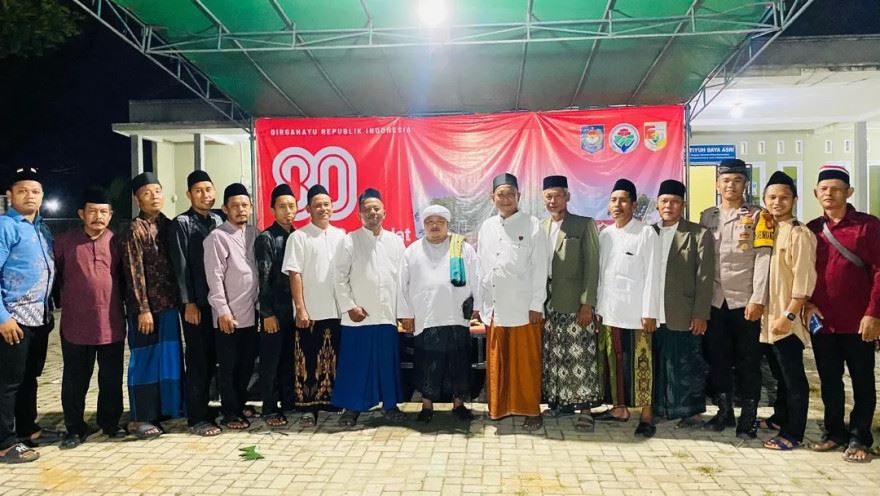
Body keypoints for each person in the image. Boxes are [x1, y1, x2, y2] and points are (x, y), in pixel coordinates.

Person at [805, 165, 880, 462]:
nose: (829, 194)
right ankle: (833, 433)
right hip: (823, 322)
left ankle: (860, 437)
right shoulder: (811, 229)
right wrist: (807, 304)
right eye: (824, 189)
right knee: (829, 380)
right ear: (816, 193)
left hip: (859, 320)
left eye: (836, 189)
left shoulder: (868, 226)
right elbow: (804, 272)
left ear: (849, 192)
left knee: (862, 380)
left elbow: (878, 271)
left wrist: (873, 313)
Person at [699, 158, 771, 439]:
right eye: (726, 180)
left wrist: (758, 298)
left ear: (745, 184)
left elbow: (763, 258)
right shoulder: (708, 216)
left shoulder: (758, 216)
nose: (731, 185)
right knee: (718, 358)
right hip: (715, 300)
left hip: (744, 300)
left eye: (737, 180)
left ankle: (749, 418)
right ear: (717, 184)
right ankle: (724, 411)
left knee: (748, 361)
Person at [54, 187, 127, 449]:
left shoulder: (117, 241)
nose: (98, 216)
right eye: (93, 211)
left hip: (111, 322)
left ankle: (110, 422)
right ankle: (74, 427)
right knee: (75, 379)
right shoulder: (64, 242)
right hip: (76, 324)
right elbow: (55, 276)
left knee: (111, 378)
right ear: (81, 214)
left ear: (111, 214)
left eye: (104, 212)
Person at [477, 173, 548, 431]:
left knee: (525, 364)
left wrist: (536, 305)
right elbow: (482, 269)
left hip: (523, 308)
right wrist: (480, 305)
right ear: (492, 197)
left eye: (510, 194)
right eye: (501, 194)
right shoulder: (487, 227)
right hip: (495, 307)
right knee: (498, 362)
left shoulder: (532, 225)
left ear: (519, 196)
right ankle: (499, 409)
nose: (505, 199)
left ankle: (531, 410)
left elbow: (541, 268)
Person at [331, 188, 406, 427]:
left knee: (387, 363)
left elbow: (403, 279)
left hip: (387, 315)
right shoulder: (349, 240)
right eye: (367, 209)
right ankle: (351, 408)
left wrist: (403, 313)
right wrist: (349, 306)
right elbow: (339, 277)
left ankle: (390, 406)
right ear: (359, 214)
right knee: (356, 364)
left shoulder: (396, 242)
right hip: (359, 315)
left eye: (376, 208)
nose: (372, 213)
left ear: (384, 212)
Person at [399, 204, 480, 423]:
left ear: (447, 224)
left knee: (458, 362)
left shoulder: (462, 248)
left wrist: (478, 307)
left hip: (457, 314)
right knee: (428, 362)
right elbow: (402, 285)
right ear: (424, 225)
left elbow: (476, 277)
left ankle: (458, 405)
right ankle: (427, 406)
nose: (434, 226)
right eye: (430, 222)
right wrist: (406, 314)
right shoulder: (412, 251)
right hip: (426, 316)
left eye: (439, 222)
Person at [594, 178, 662, 438]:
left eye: (623, 200)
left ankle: (646, 416)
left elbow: (653, 275)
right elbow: (601, 276)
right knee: (615, 364)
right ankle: (619, 409)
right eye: (613, 200)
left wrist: (650, 312)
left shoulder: (646, 233)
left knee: (642, 365)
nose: (617, 205)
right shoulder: (605, 235)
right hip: (609, 311)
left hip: (637, 314)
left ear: (633, 205)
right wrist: (599, 309)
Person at [121, 172, 185, 440]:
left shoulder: (170, 226)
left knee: (169, 359)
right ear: (138, 199)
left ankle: (167, 409)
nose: (154, 197)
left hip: (169, 306)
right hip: (145, 311)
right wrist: (143, 309)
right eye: (147, 193)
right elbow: (133, 272)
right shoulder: (134, 229)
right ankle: (141, 416)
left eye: (157, 191)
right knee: (145, 361)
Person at [0, 167, 57, 463]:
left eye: (35, 191)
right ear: (10, 195)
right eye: (22, 191)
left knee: (29, 378)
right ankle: (4, 442)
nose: (29, 196)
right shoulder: (5, 227)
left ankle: (27, 428)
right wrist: (2, 318)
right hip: (13, 319)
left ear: (42, 196)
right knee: (7, 383)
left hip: (40, 318)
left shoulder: (42, 229)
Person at [759, 171, 816, 451]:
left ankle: (794, 432)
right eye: (772, 197)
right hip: (767, 317)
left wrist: (789, 314)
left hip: (786, 318)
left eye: (783, 197)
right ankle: (780, 417)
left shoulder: (799, 234)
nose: (777, 202)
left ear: (795, 200)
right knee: (779, 374)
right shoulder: (768, 230)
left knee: (793, 377)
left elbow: (804, 281)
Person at [650, 180, 714, 428]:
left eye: (674, 202)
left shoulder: (698, 234)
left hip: (684, 311)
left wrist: (700, 314)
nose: (669, 206)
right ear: (657, 204)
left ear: (683, 205)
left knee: (687, 363)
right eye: (664, 201)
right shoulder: (649, 232)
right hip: (654, 311)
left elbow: (704, 277)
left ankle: (692, 412)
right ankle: (661, 408)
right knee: (659, 363)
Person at [540, 175, 601, 431]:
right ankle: (559, 403)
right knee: (555, 354)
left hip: (576, 302)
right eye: (548, 197)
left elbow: (593, 265)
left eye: (558, 196)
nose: (553, 201)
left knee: (581, 354)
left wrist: (587, 303)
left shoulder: (583, 224)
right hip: (548, 302)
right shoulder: (540, 227)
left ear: (567, 197)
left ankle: (585, 409)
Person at [281, 185, 345, 426]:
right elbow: (294, 273)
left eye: (326, 204)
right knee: (307, 361)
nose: (323, 209)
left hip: (338, 311)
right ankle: (308, 408)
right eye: (317, 205)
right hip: (311, 311)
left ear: (332, 207)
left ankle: (333, 403)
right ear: (308, 209)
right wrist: (300, 308)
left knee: (334, 359)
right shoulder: (299, 237)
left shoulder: (342, 236)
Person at [168, 170, 224, 437]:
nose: (205, 195)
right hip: (197, 305)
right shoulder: (181, 223)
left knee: (216, 357)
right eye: (198, 191)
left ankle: (215, 407)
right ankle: (197, 417)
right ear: (189, 195)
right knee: (198, 360)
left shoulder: (219, 220)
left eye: (208, 189)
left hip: (219, 304)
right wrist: (188, 302)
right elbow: (180, 267)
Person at [203, 183, 259, 430]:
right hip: (228, 316)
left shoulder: (254, 234)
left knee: (246, 365)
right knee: (229, 367)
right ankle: (229, 413)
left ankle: (239, 404)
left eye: (244, 205)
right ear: (225, 209)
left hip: (250, 313)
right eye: (235, 206)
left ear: (251, 207)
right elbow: (214, 277)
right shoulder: (217, 237)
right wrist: (222, 311)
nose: (240, 209)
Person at [255, 184, 297, 427]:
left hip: (294, 312)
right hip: (274, 311)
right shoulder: (266, 238)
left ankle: (289, 403)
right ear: (272, 210)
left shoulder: (297, 236)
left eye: (291, 206)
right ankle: (270, 408)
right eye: (282, 207)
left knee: (288, 360)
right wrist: (267, 313)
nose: (287, 211)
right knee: (270, 362)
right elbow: (263, 278)